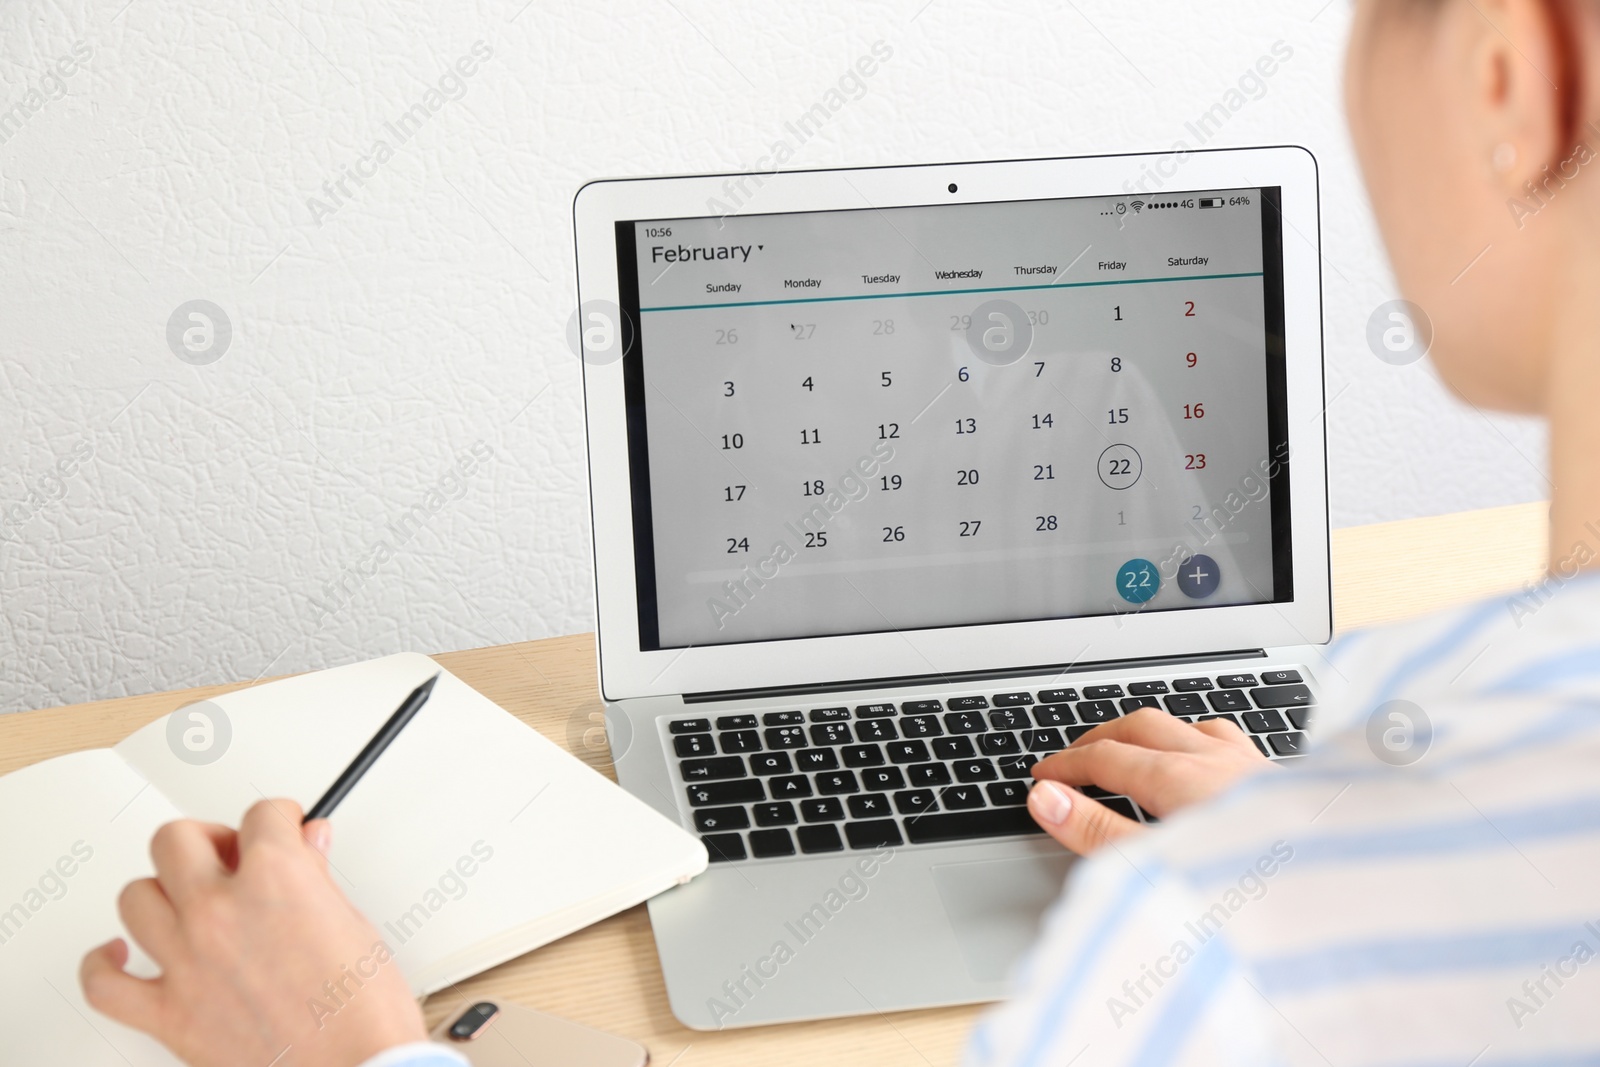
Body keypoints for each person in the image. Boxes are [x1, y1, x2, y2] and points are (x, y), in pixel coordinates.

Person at [79, 0, 1600, 1062]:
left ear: (1505, 72)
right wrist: (1292, 846)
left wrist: (341, 1049)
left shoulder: (1286, 957)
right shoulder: (1403, 839)